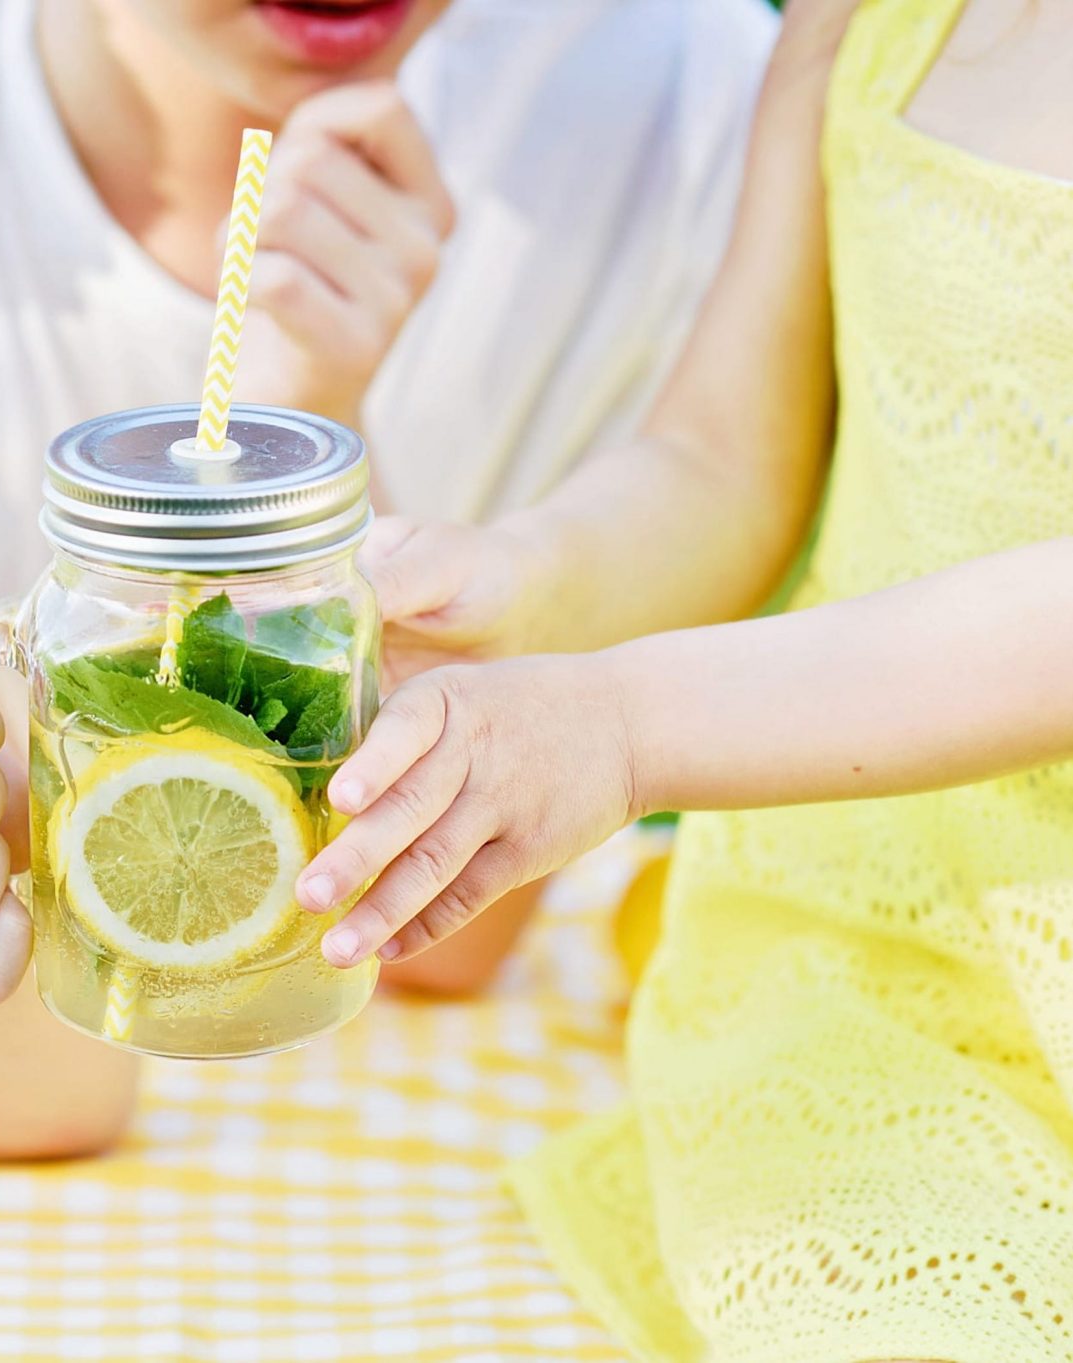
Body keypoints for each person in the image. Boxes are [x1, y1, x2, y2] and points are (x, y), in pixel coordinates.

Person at [0, 0, 775, 1157]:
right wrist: (278, 427)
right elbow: (40, 1097)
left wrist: (304, 447)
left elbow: (443, 939)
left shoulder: (679, 89)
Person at [278, 0, 1073, 1354]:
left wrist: (631, 719)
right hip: (877, 969)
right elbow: (726, 460)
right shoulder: (863, 22)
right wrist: (525, 583)